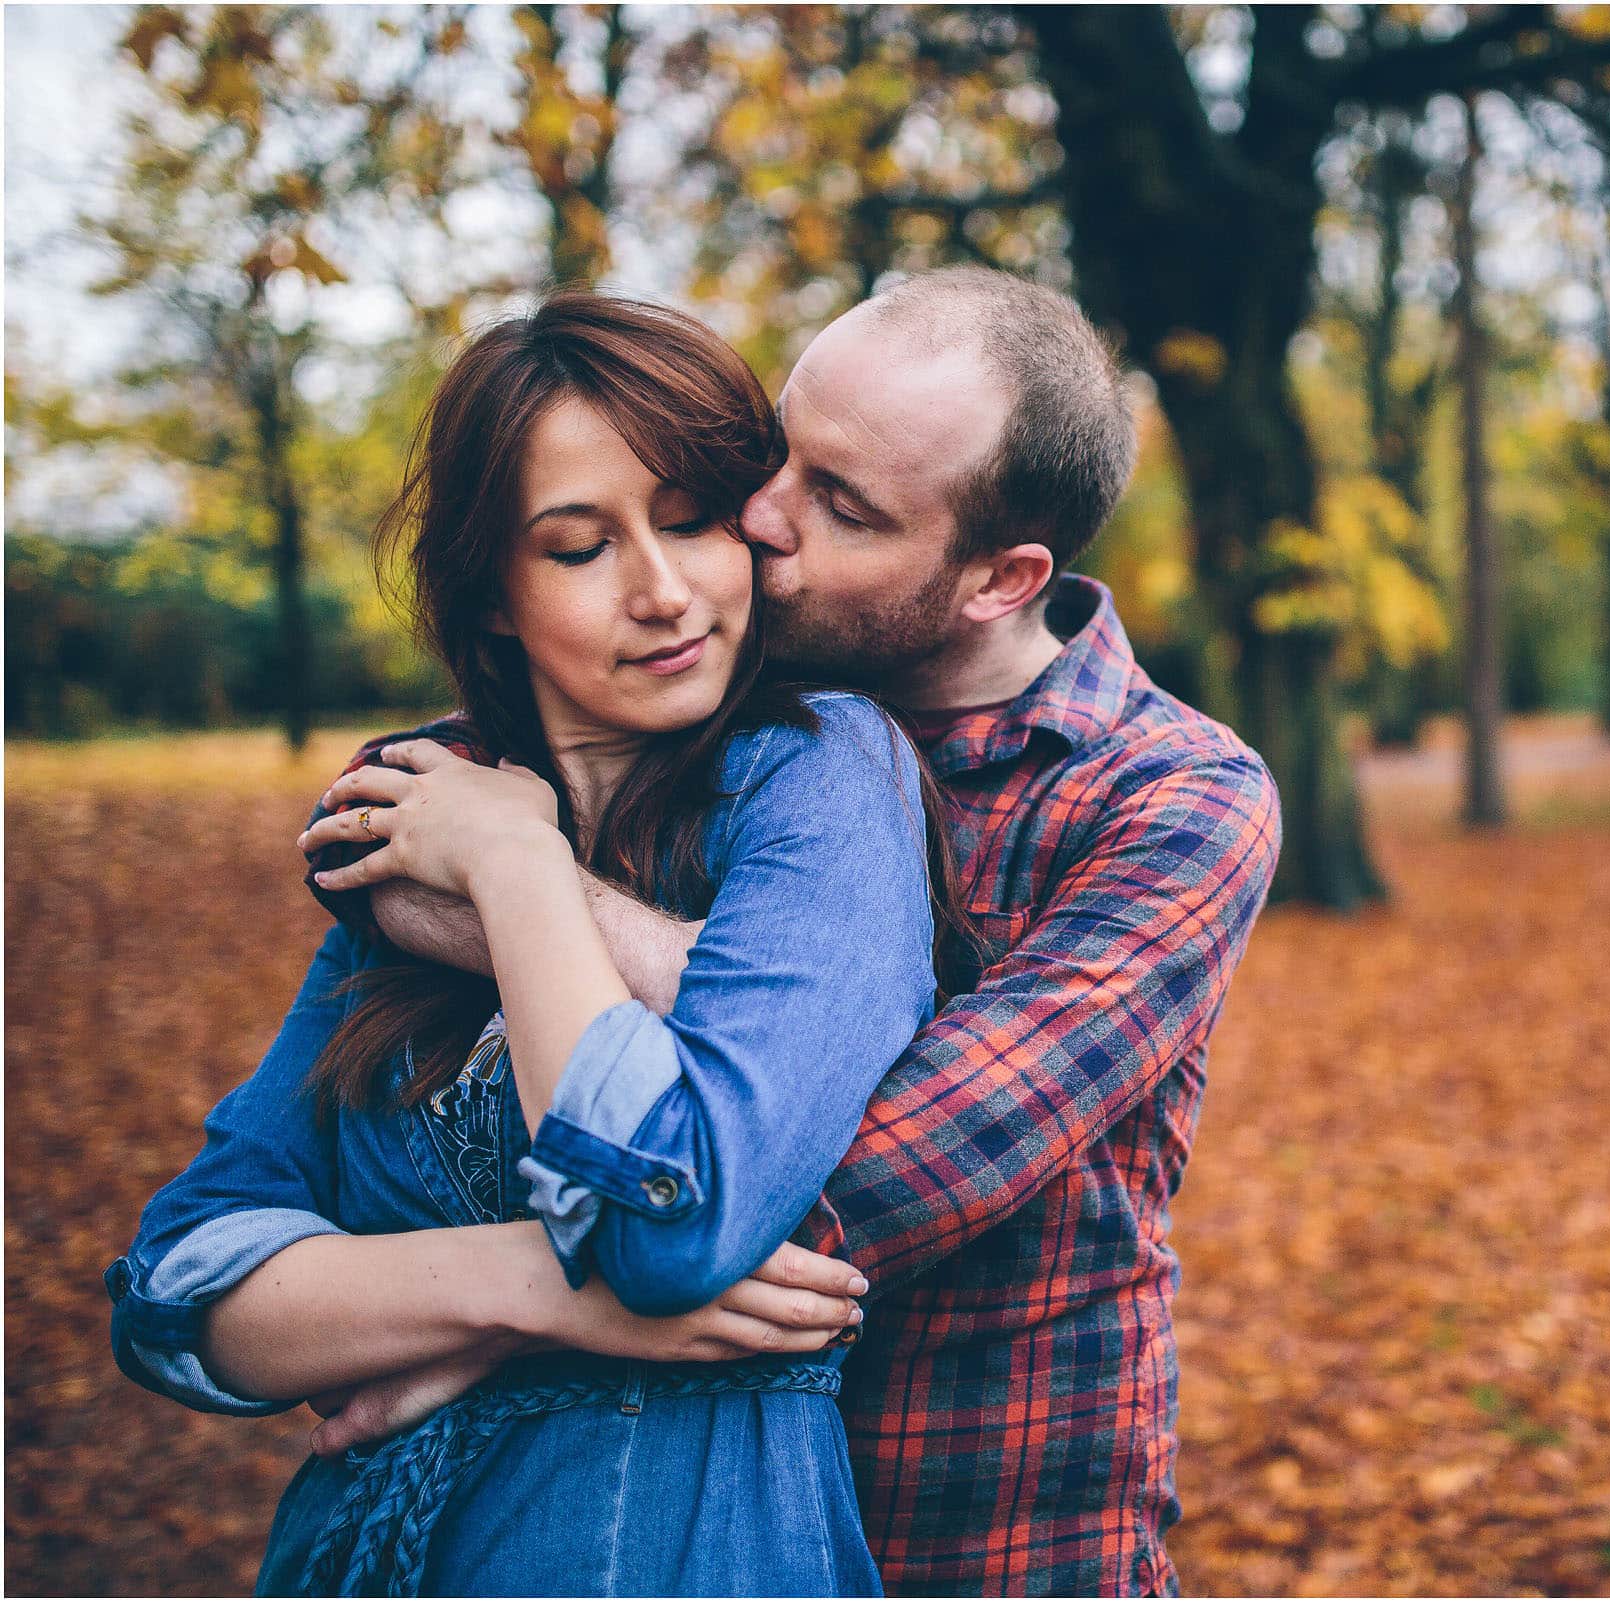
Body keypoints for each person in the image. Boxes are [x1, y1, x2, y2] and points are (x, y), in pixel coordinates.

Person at [293, 268, 1285, 1595]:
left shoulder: (1169, 799)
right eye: (780, 448)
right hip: (668, 1525)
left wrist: (506, 1302)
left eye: (844, 503)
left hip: (983, 1535)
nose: (757, 519)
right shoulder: (722, 698)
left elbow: (885, 1150)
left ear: (1002, 577)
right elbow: (394, 830)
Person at [106, 292, 942, 1595]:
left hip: (670, 1547)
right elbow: (178, 1289)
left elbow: (668, 1219)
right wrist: (538, 1295)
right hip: (368, 1551)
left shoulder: (824, 772)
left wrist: (517, 867)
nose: (663, 592)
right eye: (578, 546)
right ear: (493, 594)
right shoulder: (416, 836)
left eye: (691, 518)